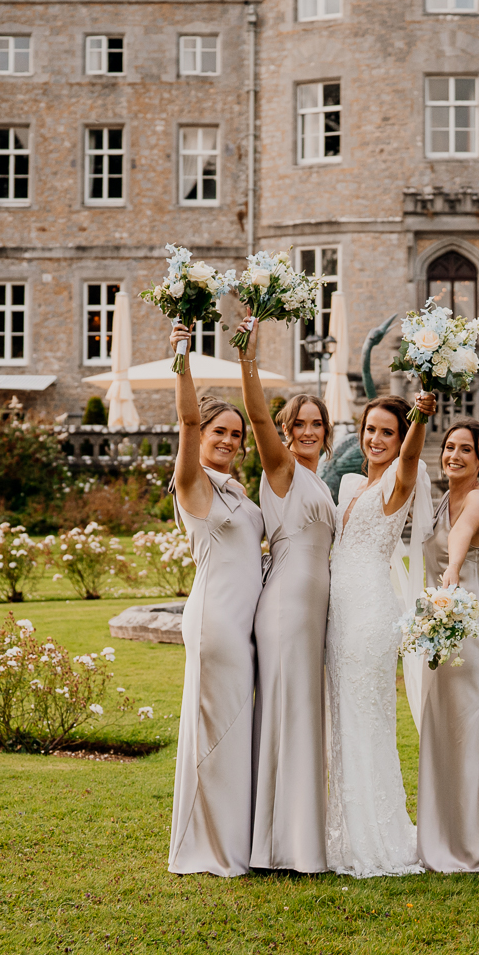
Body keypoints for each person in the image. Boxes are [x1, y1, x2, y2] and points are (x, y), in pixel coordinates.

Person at [165, 322, 265, 877]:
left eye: (234, 435)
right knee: (215, 731)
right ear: (201, 437)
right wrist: (182, 355)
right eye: (217, 433)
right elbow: (184, 418)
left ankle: (236, 841)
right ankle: (211, 849)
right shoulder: (193, 483)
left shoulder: (240, 493)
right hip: (215, 623)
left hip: (244, 625)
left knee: (237, 729)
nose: (227, 441)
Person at [325, 390, 435, 877]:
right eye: (371, 429)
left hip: (370, 612)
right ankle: (344, 829)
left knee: (365, 718)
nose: (376, 439)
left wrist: (420, 419)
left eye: (386, 432)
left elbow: (411, 454)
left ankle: (374, 840)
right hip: (338, 611)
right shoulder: (349, 485)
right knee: (342, 718)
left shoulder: (399, 480)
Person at [237, 326, 333, 874]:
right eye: (298, 423)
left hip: (311, 608)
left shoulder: (321, 482)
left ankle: (296, 838)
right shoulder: (283, 469)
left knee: (302, 717)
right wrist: (249, 358)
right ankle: (280, 847)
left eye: (317, 423)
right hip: (287, 604)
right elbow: (256, 419)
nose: (307, 431)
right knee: (287, 716)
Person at [415, 419, 479, 873]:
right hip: (442, 626)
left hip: (472, 630)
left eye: (464, 450)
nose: (453, 455)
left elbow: (463, 534)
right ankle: (443, 836)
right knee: (443, 727)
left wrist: (453, 569)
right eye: (449, 447)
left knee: (471, 727)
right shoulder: (440, 503)